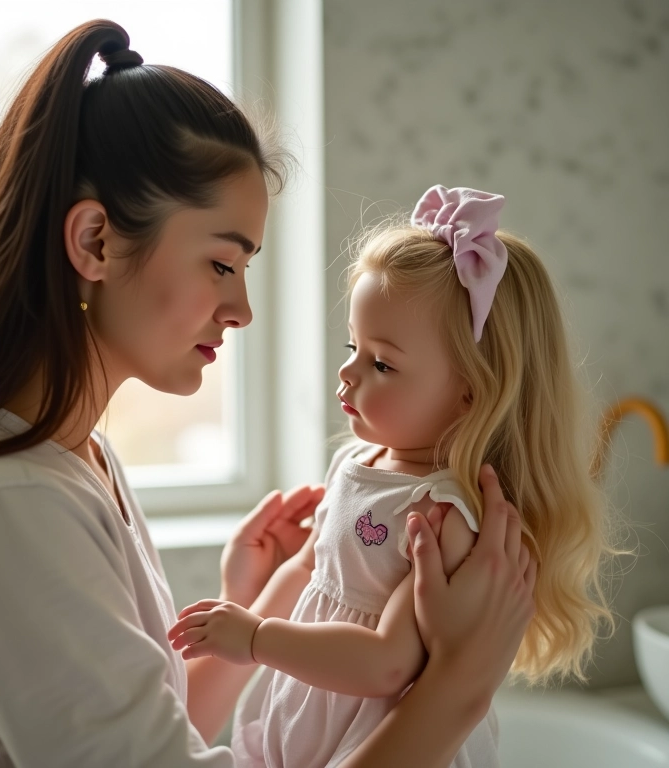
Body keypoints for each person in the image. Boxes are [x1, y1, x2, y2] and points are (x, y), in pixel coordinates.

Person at [0, 18, 535, 768]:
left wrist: (259, 603)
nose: (242, 310)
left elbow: (156, 740)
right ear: (95, 242)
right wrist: (457, 688)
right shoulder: (3, 505)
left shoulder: (74, 455)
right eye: (222, 265)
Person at [169, 186, 614, 768]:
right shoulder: (354, 463)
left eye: (382, 363)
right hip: (311, 709)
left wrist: (256, 640)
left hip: (377, 734)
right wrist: (246, 624)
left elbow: (388, 660)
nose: (348, 371)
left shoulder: (442, 514)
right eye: (353, 345)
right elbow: (307, 571)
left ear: (469, 395)